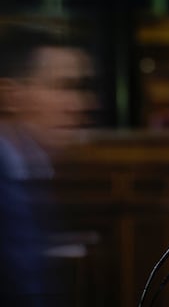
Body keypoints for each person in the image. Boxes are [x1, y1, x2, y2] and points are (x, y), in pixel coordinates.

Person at [0, 22, 100, 306]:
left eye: (82, 88)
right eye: (64, 87)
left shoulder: (25, 169)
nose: (81, 104)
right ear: (12, 96)